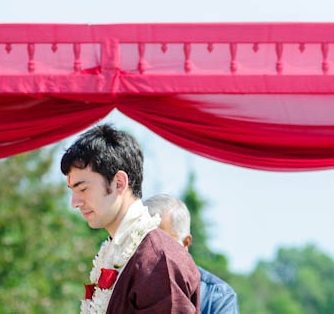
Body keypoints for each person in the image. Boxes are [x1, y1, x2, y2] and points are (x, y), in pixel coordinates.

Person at [61, 124, 201, 313]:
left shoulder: (158, 259)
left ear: (119, 182)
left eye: (83, 189)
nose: (74, 202)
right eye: (72, 191)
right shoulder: (114, 251)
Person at [144, 194, 239, 314]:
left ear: (185, 243)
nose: (148, 249)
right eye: (141, 240)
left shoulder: (218, 297)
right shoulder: (122, 285)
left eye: (159, 242)